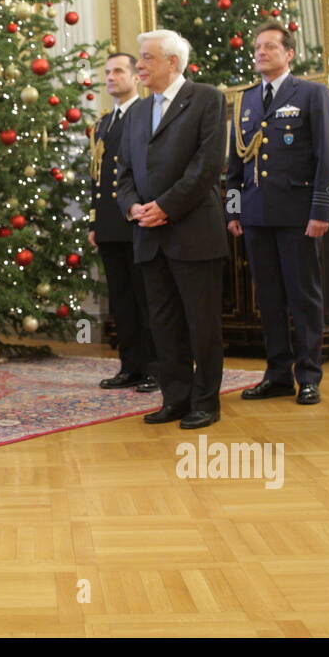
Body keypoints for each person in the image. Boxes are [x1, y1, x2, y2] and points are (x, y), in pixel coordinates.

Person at [116, 30, 228, 430]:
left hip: (193, 231)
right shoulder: (137, 113)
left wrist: (165, 207)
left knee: (202, 325)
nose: (139, 66)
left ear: (173, 63)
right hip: (148, 234)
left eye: (146, 58)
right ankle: (175, 398)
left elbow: (206, 168)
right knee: (163, 325)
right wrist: (131, 206)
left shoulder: (207, 99)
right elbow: (124, 172)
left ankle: (205, 402)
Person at [226, 24, 329, 405]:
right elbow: (235, 164)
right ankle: (276, 374)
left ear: (289, 53)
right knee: (269, 300)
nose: (261, 52)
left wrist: (321, 210)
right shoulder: (246, 100)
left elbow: (326, 156)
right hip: (256, 215)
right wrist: (233, 210)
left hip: (298, 215)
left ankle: (308, 376)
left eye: (270, 46)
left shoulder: (310, 93)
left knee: (303, 297)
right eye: (257, 47)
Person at [89, 52, 157, 393]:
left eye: (118, 71)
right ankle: (130, 365)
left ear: (134, 77)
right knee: (122, 299)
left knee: (147, 297)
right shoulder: (104, 122)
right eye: (107, 72)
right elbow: (97, 175)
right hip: (109, 223)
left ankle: (155, 368)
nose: (111, 77)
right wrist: (93, 221)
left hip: (137, 218)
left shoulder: (146, 115)